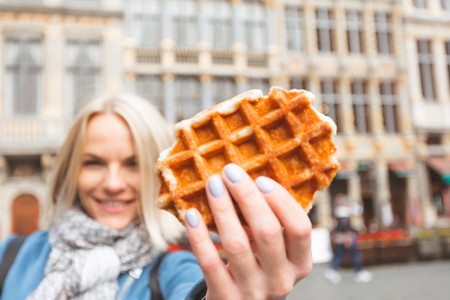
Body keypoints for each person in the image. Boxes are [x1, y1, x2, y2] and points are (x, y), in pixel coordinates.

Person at [0, 94, 313, 300]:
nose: (112, 183)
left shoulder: (175, 269)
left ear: (163, 176)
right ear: (70, 170)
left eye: (134, 164)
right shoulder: (11, 254)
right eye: (93, 162)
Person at [324, 194, 372, 284]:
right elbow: (345, 227)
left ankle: (333, 270)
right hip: (348, 238)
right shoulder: (343, 212)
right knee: (354, 254)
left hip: (345, 237)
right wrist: (348, 238)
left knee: (342, 254)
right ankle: (358, 271)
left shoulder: (340, 211)